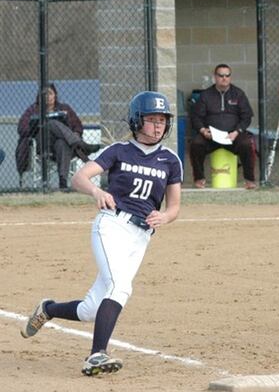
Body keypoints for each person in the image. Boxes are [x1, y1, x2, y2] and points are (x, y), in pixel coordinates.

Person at [20, 91, 182, 376]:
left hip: (141, 237)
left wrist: (165, 216)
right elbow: (79, 177)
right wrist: (96, 190)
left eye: (162, 120)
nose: (158, 125)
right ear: (136, 120)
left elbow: (174, 207)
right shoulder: (119, 150)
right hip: (112, 226)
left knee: (89, 310)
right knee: (120, 287)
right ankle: (96, 355)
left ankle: (48, 308)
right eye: (151, 119)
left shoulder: (170, 160)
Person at [15, 83, 100, 189]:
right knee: (50, 123)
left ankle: (63, 182)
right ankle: (81, 145)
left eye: (50, 93)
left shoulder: (65, 108)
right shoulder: (33, 109)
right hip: (42, 144)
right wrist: (35, 125)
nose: (48, 97)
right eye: (44, 94)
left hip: (63, 144)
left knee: (61, 142)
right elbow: (22, 128)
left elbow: (77, 126)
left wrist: (76, 134)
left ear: (55, 95)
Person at [189, 64, 257, 189]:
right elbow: (196, 117)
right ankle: (199, 179)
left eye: (227, 75)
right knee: (196, 144)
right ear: (215, 77)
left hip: (233, 136)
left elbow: (246, 116)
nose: (224, 78)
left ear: (230, 77)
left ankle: (250, 180)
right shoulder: (205, 95)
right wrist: (203, 130)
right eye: (221, 75)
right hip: (211, 137)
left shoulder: (238, 94)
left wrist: (237, 132)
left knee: (247, 144)